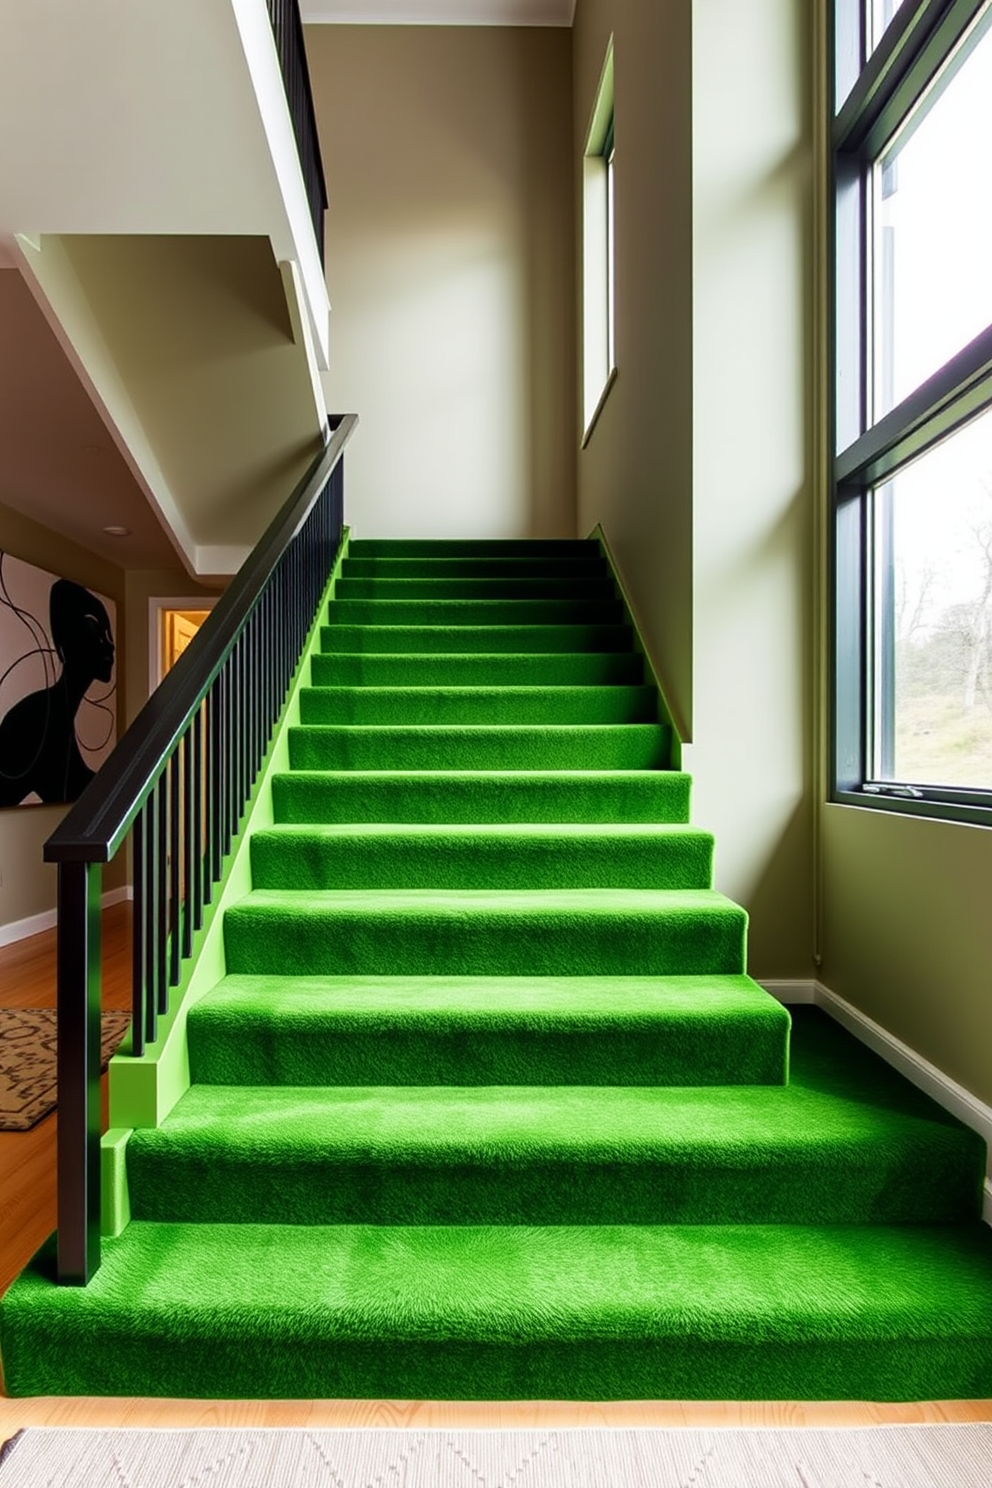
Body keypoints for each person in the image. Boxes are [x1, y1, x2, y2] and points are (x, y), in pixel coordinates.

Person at [0, 580, 115, 806]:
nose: (110, 646)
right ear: (66, 643)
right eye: (96, 630)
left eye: (108, 634)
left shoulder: (59, 713)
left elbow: (74, 783)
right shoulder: (36, 719)